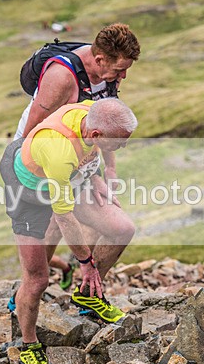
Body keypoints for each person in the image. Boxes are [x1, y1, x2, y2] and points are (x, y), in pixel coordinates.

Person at [0, 98, 138, 364]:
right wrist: (86, 263)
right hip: (28, 192)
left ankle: (88, 296)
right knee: (37, 279)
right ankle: (28, 342)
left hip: (68, 178)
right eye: (120, 141)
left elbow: (99, 146)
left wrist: (97, 174)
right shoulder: (59, 149)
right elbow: (64, 216)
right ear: (96, 135)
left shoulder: (92, 112)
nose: (123, 146)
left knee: (122, 229)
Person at [11, 23, 141, 296]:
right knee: (53, 224)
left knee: (112, 227)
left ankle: (88, 294)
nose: (124, 76)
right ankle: (29, 292)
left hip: (81, 161)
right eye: (120, 69)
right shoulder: (61, 77)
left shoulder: (109, 76)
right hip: (42, 159)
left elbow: (105, 123)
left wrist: (108, 172)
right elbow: (31, 134)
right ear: (99, 59)